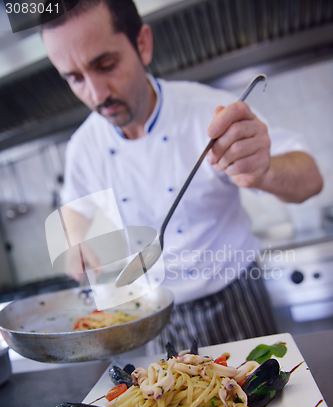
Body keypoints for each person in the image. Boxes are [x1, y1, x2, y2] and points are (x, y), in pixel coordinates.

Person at [41, 0, 323, 353]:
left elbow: (311, 180)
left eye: (106, 64)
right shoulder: (83, 146)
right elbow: (75, 212)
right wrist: (76, 242)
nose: (96, 95)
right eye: (75, 78)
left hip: (237, 302)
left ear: (142, 44)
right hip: (154, 318)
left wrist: (263, 168)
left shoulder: (207, 111)